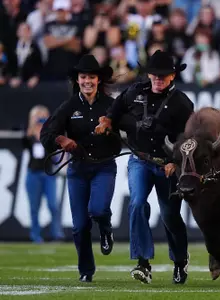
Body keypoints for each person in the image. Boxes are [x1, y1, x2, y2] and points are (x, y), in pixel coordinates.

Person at [95, 50, 194, 285]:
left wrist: (176, 162)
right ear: (149, 75)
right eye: (155, 75)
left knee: (170, 215)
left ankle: (180, 260)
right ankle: (143, 262)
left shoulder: (182, 103)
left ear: (172, 77)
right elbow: (115, 109)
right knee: (137, 202)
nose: (158, 79)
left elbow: (190, 139)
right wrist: (107, 120)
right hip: (139, 160)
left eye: (164, 76)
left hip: (167, 165)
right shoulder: (135, 92)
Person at [40, 54, 122, 282]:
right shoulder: (69, 106)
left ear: (99, 80)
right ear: (77, 80)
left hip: (104, 166)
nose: (87, 81)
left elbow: (128, 131)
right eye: (83, 77)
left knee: (98, 210)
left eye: (92, 77)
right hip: (78, 169)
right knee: (79, 226)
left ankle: (105, 227)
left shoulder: (110, 106)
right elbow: (46, 133)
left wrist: (112, 131)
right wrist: (61, 141)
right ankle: (86, 271)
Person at [23, 105, 64, 244]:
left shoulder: (49, 134)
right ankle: (35, 235)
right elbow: (25, 142)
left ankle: (57, 234)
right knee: (34, 207)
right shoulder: (29, 134)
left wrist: (48, 127)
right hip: (33, 174)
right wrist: (32, 125)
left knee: (53, 205)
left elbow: (55, 147)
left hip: (48, 174)